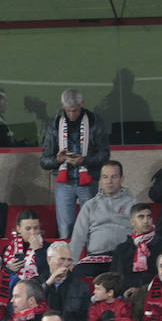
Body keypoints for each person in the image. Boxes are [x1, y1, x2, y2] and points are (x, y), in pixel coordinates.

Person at [42, 88, 112, 238]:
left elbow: (105, 155)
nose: (72, 114)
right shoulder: (54, 125)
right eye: (68, 111)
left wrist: (84, 161)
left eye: (75, 110)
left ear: (82, 104)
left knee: (91, 226)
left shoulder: (95, 122)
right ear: (63, 107)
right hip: (64, 183)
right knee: (66, 229)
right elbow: (44, 161)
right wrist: (58, 160)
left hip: (89, 181)